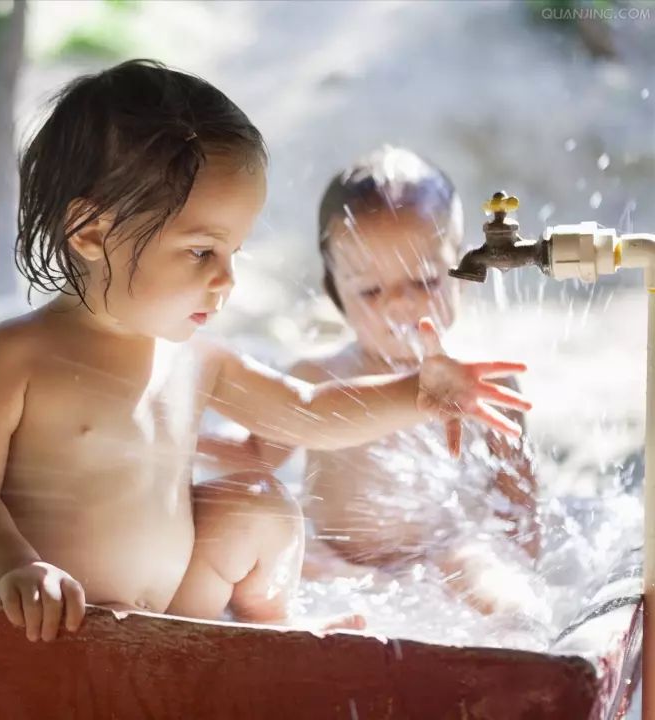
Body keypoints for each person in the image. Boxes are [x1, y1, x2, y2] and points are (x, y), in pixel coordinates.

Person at [0, 64, 530, 643]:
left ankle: (267, 631)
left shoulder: (196, 359)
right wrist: (16, 566)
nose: (227, 280)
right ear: (91, 232)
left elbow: (312, 413)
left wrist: (418, 394)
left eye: (234, 254)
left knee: (260, 502)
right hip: (61, 624)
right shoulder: (17, 356)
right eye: (202, 253)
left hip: (178, 615)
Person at [198, 146, 541, 616]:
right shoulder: (317, 378)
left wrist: (522, 565)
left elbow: (520, 503)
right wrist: (182, 436)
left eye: (423, 281)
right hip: (333, 554)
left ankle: (526, 648)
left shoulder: (483, 383)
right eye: (370, 290)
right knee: (286, 556)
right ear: (336, 291)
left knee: (496, 586)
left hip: (443, 550)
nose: (398, 305)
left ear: (462, 273)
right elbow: (257, 454)